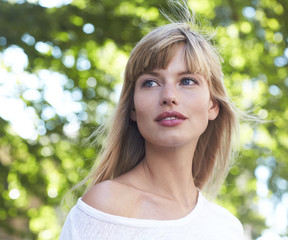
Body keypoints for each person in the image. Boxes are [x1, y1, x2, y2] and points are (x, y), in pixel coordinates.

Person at [60, 4, 245, 240]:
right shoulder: (105, 206)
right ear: (133, 109)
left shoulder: (227, 228)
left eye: (187, 81)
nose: (169, 96)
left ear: (212, 106)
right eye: (150, 83)